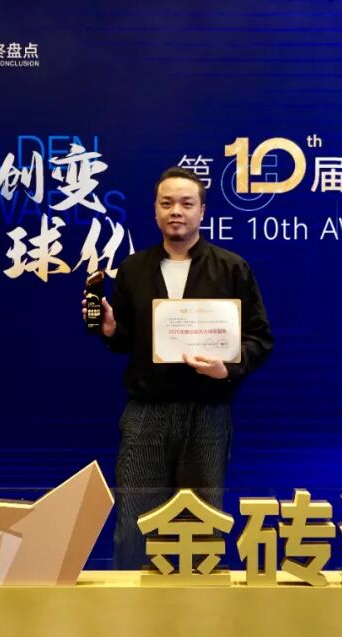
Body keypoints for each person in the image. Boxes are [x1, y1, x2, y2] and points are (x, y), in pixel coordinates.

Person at [81, 166, 274, 569]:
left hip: (208, 411)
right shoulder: (133, 269)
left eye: (187, 203)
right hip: (146, 411)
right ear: (155, 211)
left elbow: (260, 338)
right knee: (134, 522)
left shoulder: (231, 268)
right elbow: (126, 341)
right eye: (167, 203)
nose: (176, 212)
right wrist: (112, 330)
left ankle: (200, 605)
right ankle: (129, 603)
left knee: (203, 522)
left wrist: (228, 368)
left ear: (202, 211)